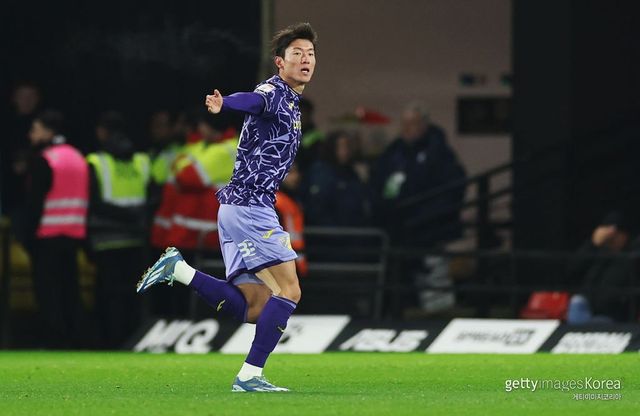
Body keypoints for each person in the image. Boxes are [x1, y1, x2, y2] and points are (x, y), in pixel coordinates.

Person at [137, 22, 317, 392]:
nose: (306, 59)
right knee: (290, 291)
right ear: (280, 62)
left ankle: (179, 270)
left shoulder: (291, 101)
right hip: (250, 207)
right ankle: (249, 376)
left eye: (310, 54)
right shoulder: (274, 91)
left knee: (256, 306)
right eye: (297, 53)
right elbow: (254, 100)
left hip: (237, 208)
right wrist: (226, 104)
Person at [19, 110, 88, 348]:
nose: (31, 135)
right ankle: (76, 340)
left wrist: (27, 237)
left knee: (48, 292)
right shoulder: (78, 157)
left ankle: (52, 340)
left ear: (48, 132)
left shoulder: (45, 159)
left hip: (47, 236)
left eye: (35, 129)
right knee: (70, 289)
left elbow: (34, 204)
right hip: (74, 235)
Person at [86, 111, 151, 348]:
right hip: (136, 237)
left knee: (108, 294)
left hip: (106, 239)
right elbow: (154, 195)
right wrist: (137, 216)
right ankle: (132, 340)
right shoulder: (142, 160)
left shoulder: (96, 161)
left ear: (102, 132)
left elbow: (93, 202)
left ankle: (109, 341)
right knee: (134, 293)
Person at [372, 102, 467, 245]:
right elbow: (380, 184)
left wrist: (425, 215)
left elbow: (453, 189)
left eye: (412, 123)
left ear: (424, 125)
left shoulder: (438, 152)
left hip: (430, 231)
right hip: (398, 230)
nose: (406, 128)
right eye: (404, 123)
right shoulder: (393, 153)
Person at [566, 211, 639, 323]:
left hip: (614, 316)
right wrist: (592, 244)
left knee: (598, 322)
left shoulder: (632, 256)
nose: (611, 237)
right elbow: (571, 271)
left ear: (625, 235)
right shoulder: (596, 253)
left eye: (616, 234)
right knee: (577, 302)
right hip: (586, 309)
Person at [303, 130, 372, 227]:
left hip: (353, 230)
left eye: (348, 147)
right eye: (342, 147)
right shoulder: (321, 172)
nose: (346, 151)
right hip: (330, 232)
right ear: (332, 148)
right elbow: (317, 209)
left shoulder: (351, 172)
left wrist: (364, 180)